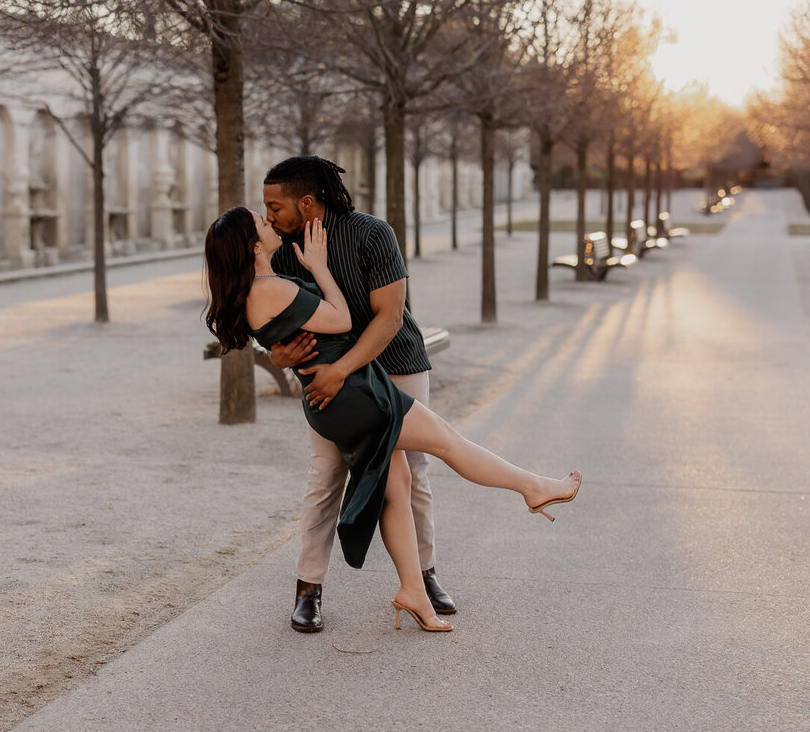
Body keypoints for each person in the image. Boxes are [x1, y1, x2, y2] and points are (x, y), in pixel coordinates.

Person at [204, 207, 581, 632]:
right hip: (354, 395)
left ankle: (413, 593)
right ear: (254, 245)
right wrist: (321, 269)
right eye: (261, 221)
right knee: (448, 443)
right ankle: (534, 489)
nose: (269, 222)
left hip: (347, 395)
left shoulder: (259, 287)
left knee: (397, 485)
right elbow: (342, 319)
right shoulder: (269, 287)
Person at [261, 155, 450, 634]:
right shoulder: (281, 254)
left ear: (307, 203)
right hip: (327, 381)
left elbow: (389, 317)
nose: (268, 217)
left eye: (275, 206)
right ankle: (308, 589)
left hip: (397, 364)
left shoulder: (373, 233)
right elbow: (273, 324)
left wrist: (342, 369)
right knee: (326, 473)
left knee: (416, 475)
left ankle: (424, 577)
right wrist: (280, 356)